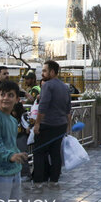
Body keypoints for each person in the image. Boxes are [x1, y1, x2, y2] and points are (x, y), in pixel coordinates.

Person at [32, 60, 71, 190]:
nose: (42, 73)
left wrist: (37, 124)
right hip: (60, 125)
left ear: (52, 72)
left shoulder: (48, 86)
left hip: (47, 124)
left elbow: (42, 107)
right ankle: (54, 179)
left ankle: (38, 181)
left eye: (44, 71)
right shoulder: (65, 87)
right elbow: (68, 109)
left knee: (39, 152)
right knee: (55, 153)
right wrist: (67, 127)